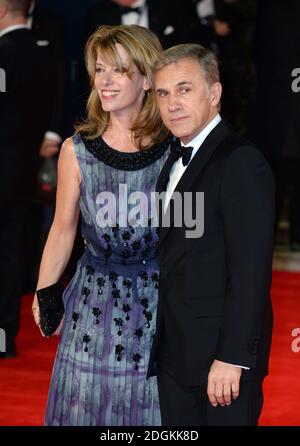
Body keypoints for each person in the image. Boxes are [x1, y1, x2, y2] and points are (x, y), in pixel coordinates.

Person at [32, 24, 172, 426]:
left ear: (146, 79)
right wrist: (46, 289)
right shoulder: (76, 151)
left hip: (157, 301)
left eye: (119, 70)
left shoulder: (174, 150)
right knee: (86, 403)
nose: (105, 81)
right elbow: (63, 227)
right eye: (100, 69)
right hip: (93, 301)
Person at [148, 43, 275, 426]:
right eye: (163, 93)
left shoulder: (240, 162)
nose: (172, 104)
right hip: (175, 353)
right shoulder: (173, 158)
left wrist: (233, 357)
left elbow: (250, 270)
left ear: (214, 93)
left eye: (185, 90)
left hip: (221, 360)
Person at [0, 0, 51, 359]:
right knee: (10, 251)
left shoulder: (4, 53)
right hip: (22, 170)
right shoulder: (42, 50)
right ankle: (4, 338)